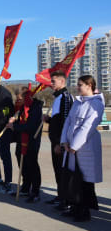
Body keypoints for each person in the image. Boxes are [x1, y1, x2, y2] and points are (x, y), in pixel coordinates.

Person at [60, 75, 104, 222]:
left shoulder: (96, 104)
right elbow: (68, 122)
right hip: (72, 148)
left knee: (85, 181)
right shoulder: (78, 102)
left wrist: (74, 145)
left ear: (89, 85)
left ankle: (84, 211)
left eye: (80, 85)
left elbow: (88, 127)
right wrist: (64, 141)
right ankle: (75, 207)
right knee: (73, 179)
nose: (77, 87)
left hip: (85, 148)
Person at [43, 71, 74, 209]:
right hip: (55, 141)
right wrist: (48, 120)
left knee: (63, 171)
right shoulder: (57, 98)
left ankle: (66, 200)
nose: (51, 83)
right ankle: (60, 196)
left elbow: (66, 123)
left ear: (62, 82)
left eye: (53, 81)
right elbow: (57, 121)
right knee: (57, 170)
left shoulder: (66, 97)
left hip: (60, 142)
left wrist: (59, 143)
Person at [7, 87, 43, 203]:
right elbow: (21, 121)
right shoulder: (23, 107)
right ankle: (26, 187)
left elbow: (30, 126)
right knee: (23, 164)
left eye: (19, 99)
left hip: (32, 140)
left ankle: (35, 191)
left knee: (32, 165)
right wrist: (14, 122)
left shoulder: (35, 107)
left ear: (26, 97)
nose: (18, 101)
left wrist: (15, 126)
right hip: (21, 140)